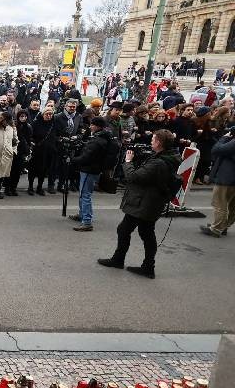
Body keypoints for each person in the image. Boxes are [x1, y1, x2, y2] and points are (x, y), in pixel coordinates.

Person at [98, 129, 180, 279]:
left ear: (159, 143)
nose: (151, 141)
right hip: (152, 201)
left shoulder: (158, 162)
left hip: (144, 202)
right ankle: (148, 266)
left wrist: (128, 162)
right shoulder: (169, 157)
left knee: (124, 229)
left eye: (153, 139)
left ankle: (119, 260)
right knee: (146, 233)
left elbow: (133, 177)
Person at [68, 117, 115, 232]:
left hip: (89, 170)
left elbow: (86, 157)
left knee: (85, 195)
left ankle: (87, 222)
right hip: (94, 169)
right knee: (84, 194)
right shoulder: (104, 138)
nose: (90, 127)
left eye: (92, 125)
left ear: (97, 126)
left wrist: (72, 159)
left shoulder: (97, 140)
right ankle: (82, 215)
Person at [200, 125, 235, 237]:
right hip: (231, 178)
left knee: (220, 203)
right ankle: (223, 226)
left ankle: (216, 229)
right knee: (232, 206)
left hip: (227, 177)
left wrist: (224, 138)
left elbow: (216, 150)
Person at [28, 108, 57, 196]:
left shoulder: (53, 124)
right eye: (47, 114)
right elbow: (31, 135)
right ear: (43, 114)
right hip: (37, 150)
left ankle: (39, 187)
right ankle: (30, 187)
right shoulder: (36, 123)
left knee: (43, 170)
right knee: (33, 170)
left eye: (50, 114)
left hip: (48, 151)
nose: (49, 116)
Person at [6, 110, 32, 196]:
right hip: (13, 150)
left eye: (24, 116)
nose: (23, 118)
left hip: (22, 152)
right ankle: (7, 188)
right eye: (21, 116)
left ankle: (14, 188)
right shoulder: (14, 126)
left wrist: (27, 151)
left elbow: (29, 140)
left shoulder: (28, 127)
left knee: (17, 171)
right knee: (10, 170)